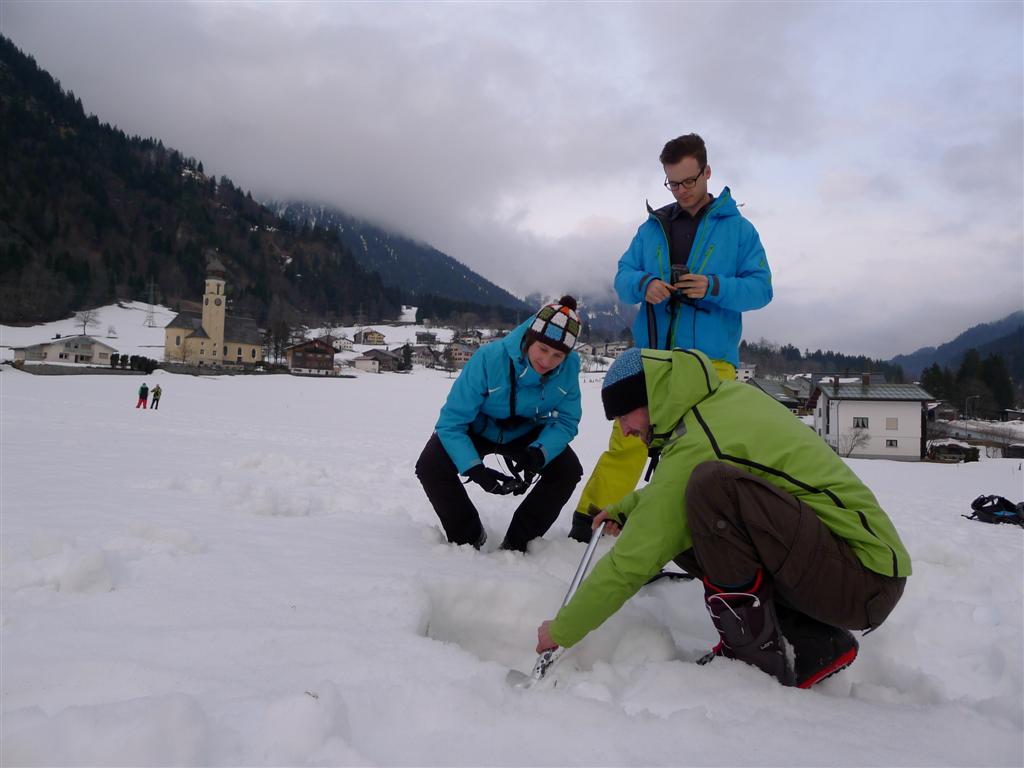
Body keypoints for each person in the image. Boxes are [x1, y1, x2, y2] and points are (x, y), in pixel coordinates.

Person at [536, 348, 911, 688]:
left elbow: (631, 562)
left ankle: (755, 661)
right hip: (850, 571)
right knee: (690, 515)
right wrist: (628, 507)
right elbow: (669, 494)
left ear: (651, 397)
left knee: (708, 490)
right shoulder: (714, 406)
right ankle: (812, 643)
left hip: (862, 578)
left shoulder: (701, 437)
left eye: (624, 415)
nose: (625, 430)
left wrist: (562, 630)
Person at [569, 133, 773, 542]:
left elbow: (761, 289)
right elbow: (622, 277)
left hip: (711, 364)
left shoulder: (740, 231)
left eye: (688, 181)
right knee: (628, 439)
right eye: (673, 183)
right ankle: (593, 520)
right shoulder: (652, 228)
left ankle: (700, 532)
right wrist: (644, 284)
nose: (681, 191)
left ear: (707, 172)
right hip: (653, 359)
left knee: (705, 450)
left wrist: (714, 286)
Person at [415, 296, 584, 552]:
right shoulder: (489, 358)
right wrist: (474, 468)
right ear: (530, 338)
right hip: (478, 427)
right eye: (543, 349)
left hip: (527, 430)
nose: (547, 361)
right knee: (430, 466)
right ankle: (467, 537)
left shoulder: (569, 368)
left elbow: (567, 421)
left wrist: (540, 452)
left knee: (567, 471)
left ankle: (520, 542)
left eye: (558, 355)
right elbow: (451, 422)